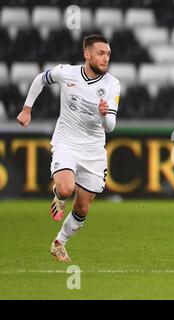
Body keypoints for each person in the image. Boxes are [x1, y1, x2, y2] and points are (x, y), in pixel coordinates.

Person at [16, 34, 121, 262]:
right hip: (67, 142)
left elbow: (110, 126)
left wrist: (104, 116)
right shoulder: (67, 72)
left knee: (82, 208)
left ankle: (59, 243)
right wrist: (27, 109)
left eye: (108, 55)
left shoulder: (112, 84)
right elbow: (40, 79)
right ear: (87, 54)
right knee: (65, 189)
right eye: (101, 53)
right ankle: (58, 194)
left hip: (93, 150)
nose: (105, 59)